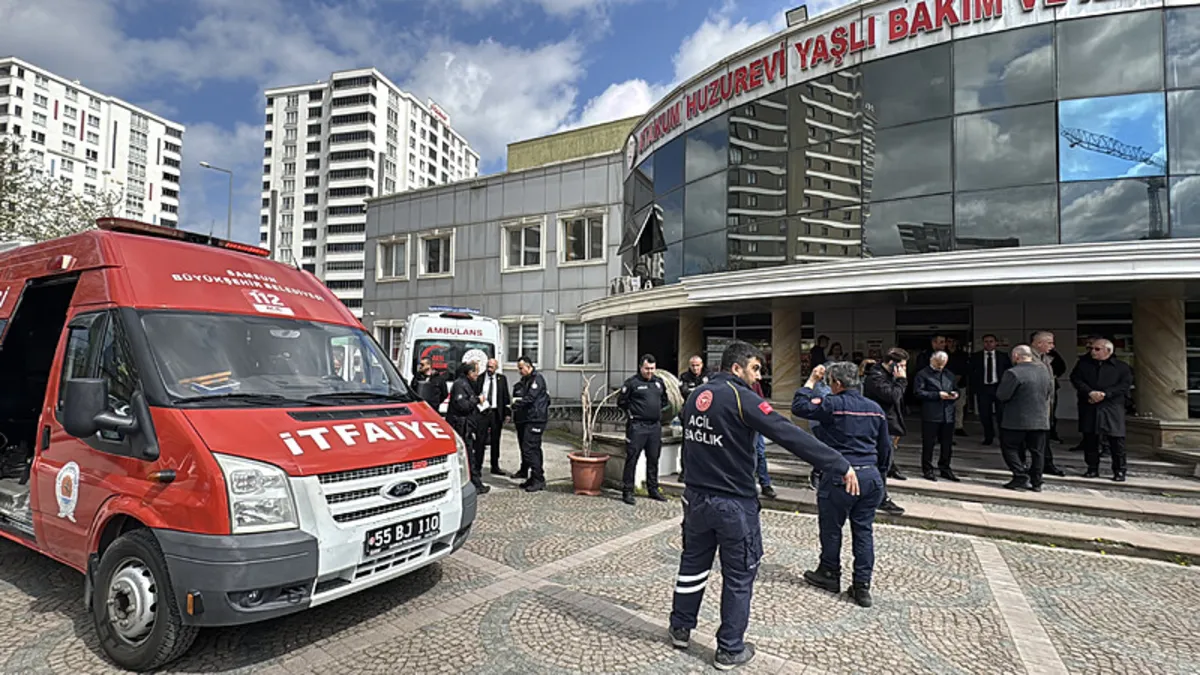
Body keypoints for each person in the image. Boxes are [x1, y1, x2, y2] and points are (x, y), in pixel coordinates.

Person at [668, 341, 858, 671]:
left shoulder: (695, 397)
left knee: (692, 565)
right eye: (756, 368)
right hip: (732, 504)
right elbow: (789, 434)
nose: (759, 374)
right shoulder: (743, 397)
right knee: (740, 575)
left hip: (696, 499)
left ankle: (680, 627)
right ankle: (729, 648)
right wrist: (838, 463)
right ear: (738, 367)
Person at [792, 362, 890, 608]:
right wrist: (880, 476)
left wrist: (812, 380)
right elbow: (885, 448)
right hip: (870, 476)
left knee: (831, 527)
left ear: (836, 384)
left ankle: (829, 573)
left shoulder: (833, 404)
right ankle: (862, 586)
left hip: (840, 474)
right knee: (864, 531)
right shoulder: (875, 409)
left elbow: (799, 407)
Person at [1069, 339, 1133, 481]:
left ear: (1108, 351)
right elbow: (1076, 379)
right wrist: (1090, 392)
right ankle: (1092, 468)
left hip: (1112, 406)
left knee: (1116, 440)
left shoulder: (1121, 367)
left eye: (1097, 349)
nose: (1093, 351)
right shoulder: (1084, 364)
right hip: (1090, 404)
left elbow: (1124, 385)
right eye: (1092, 348)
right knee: (1090, 439)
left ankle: (1119, 470)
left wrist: (1105, 394)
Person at [995, 345, 1054, 491]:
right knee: (1037, 451)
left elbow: (1002, 395)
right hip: (1040, 418)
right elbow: (1049, 392)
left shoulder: (1013, 373)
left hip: (1016, 419)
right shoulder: (1044, 372)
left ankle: (1020, 475)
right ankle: (1037, 481)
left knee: (1009, 447)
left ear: (1016, 356)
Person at [618, 354, 670, 505]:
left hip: (654, 427)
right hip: (637, 427)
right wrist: (634, 413)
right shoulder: (632, 383)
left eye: (652, 369)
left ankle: (653, 489)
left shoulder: (659, 382)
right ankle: (628, 491)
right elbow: (621, 402)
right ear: (641, 367)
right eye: (647, 368)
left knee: (653, 459)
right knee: (632, 459)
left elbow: (664, 401)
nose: (649, 372)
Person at [862, 350, 907, 516]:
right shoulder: (876, 377)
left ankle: (877, 495)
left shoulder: (887, 376)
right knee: (882, 463)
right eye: (901, 365)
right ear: (891, 363)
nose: (903, 369)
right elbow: (893, 396)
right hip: (879, 425)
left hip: (888, 424)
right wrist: (901, 380)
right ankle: (880, 498)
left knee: (885, 462)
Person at [915, 351, 958, 482]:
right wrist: (937, 395)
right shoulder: (923, 374)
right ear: (932, 361)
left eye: (943, 364)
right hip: (931, 414)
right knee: (929, 443)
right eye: (938, 364)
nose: (940, 366)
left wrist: (955, 394)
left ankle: (945, 467)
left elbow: (956, 388)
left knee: (947, 444)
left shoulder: (949, 374)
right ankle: (927, 469)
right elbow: (918, 392)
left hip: (948, 414)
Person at [447, 360, 489, 494]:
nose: (477, 375)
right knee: (468, 455)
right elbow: (462, 406)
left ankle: (473, 482)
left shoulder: (467, 384)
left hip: (466, 425)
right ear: (470, 373)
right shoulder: (460, 384)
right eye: (476, 372)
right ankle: (475, 484)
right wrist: (477, 400)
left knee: (468, 455)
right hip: (461, 426)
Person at [510, 355, 549, 492]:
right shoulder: (526, 380)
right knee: (531, 448)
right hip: (528, 418)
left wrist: (517, 404)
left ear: (528, 366)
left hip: (536, 419)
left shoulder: (536, 379)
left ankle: (539, 479)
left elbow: (530, 398)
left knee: (530, 448)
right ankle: (534, 477)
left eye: (521, 368)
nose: (520, 371)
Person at [970, 334, 1011, 446]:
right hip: (983, 389)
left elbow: (1009, 372)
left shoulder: (1003, 356)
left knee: (1001, 414)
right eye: (986, 341)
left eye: (991, 341)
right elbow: (971, 373)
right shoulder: (976, 356)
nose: (988, 344)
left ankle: (1003, 438)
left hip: (998, 388)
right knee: (984, 414)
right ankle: (989, 436)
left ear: (996, 343)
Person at [481, 359, 512, 476]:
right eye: (488, 366)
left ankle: (495, 465)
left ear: (496, 368)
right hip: (483, 412)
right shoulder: (480, 378)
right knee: (480, 439)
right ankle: (478, 465)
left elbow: (505, 397)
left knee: (495, 440)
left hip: (495, 413)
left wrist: (507, 413)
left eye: (492, 367)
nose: (489, 369)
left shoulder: (501, 379)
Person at [750, 378, 776, 499]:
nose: (758, 375)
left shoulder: (755, 384)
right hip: (742, 425)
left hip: (756, 423)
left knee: (760, 453)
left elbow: (761, 401)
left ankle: (765, 484)